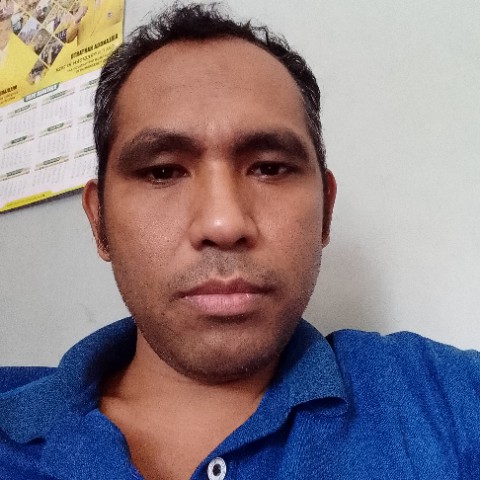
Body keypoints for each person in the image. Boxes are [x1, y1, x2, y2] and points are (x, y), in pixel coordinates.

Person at [1, 3, 479, 479]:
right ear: (99, 220)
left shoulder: (447, 402)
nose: (223, 223)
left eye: (269, 167)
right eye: (162, 171)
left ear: (326, 212)